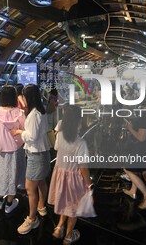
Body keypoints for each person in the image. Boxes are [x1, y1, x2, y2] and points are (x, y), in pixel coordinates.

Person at [48, 105, 93, 245]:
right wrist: (89, 185)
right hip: (74, 180)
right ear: (78, 121)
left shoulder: (59, 136)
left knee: (65, 203)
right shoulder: (81, 143)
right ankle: (68, 236)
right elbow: (83, 168)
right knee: (73, 209)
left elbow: (56, 148)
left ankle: (58, 228)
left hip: (60, 176)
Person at [11, 84, 50, 235]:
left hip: (36, 154)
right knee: (41, 181)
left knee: (29, 188)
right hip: (43, 151)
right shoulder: (41, 110)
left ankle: (32, 219)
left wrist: (19, 131)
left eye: (24, 96)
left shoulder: (34, 114)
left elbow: (31, 136)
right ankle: (42, 207)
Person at [0, 85, 26, 214]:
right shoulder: (20, 112)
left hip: (1, 149)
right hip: (16, 149)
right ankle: (9, 203)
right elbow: (23, 130)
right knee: (13, 175)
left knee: (0, 175)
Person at [122, 94, 146, 209]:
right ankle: (133, 190)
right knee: (137, 169)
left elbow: (141, 137)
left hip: (143, 147)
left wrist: (130, 128)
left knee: (128, 169)